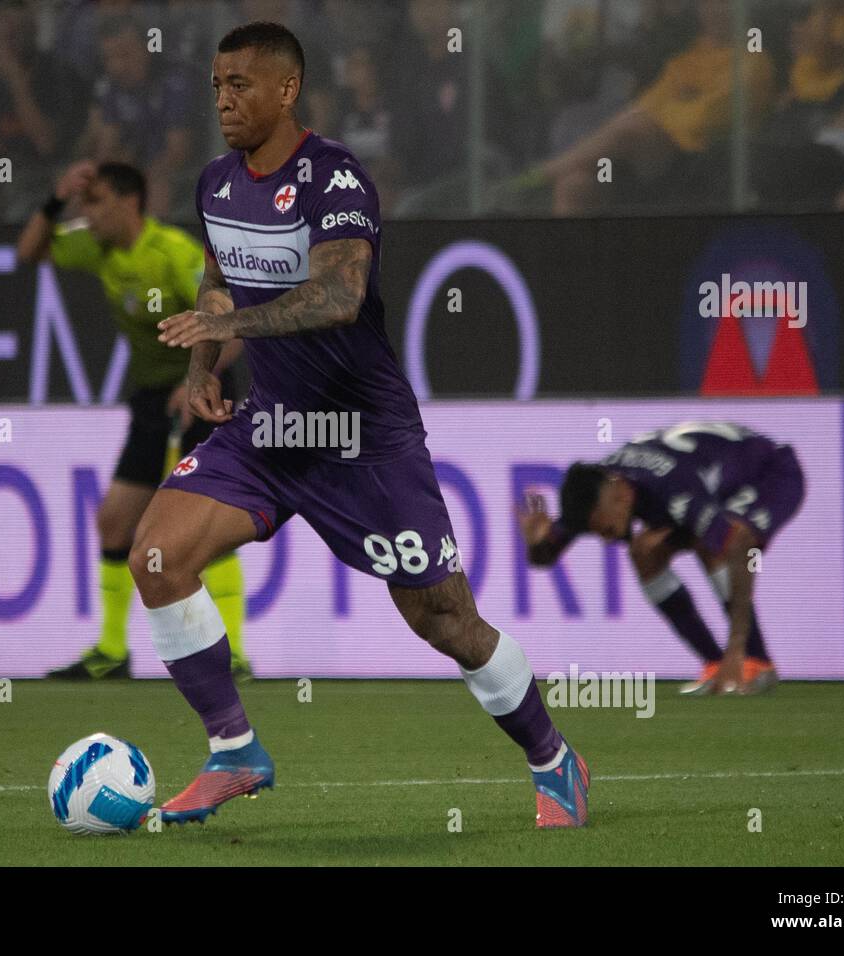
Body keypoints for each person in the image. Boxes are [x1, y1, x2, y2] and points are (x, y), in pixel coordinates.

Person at [133, 21, 589, 829]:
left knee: (444, 620)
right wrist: (205, 365)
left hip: (361, 439)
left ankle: (555, 759)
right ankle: (234, 750)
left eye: (240, 84)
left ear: (287, 89)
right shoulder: (215, 183)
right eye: (215, 86)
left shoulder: (335, 179)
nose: (224, 100)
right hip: (271, 432)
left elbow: (337, 298)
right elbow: (218, 282)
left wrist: (226, 332)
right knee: (157, 558)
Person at [17, 161, 250, 680]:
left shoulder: (172, 254)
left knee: (203, 523)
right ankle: (112, 651)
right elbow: (27, 252)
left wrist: (195, 379)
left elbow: (233, 326)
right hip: (152, 400)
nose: (86, 213)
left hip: (203, 392)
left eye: (95, 201)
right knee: (115, 521)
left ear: (129, 202)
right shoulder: (97, 248)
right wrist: (56, 199)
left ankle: (234, 655)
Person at [520, 422, 806, 695]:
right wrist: (534, 545)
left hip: (770, 473)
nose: (607, 539)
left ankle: (752, 661)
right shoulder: (596, 495)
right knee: (644, 551)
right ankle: (716, 664)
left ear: (621, 496)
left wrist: (736, 650)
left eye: (606, 529)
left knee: (720, 540)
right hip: (710, 489)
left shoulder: (671, 488)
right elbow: (546, 555)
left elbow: (740, 548)